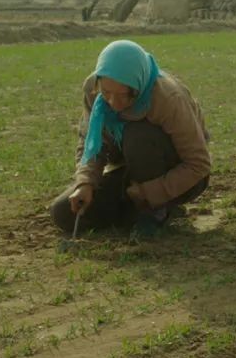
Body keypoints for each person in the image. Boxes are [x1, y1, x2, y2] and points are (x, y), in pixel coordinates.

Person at [49, 39, 211, 239]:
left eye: (125, 96)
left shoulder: (167, 98)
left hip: (179, 175)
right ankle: (137, 209)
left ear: (138, 86)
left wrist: (150, 192)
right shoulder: (93, 91)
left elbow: (199, 164)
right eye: (106, 93)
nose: (114, 103)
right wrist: (85, 183)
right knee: (64, 213)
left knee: (137, 134)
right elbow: (91, 142)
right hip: (131, 169)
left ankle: (155, 210)